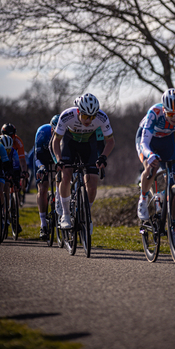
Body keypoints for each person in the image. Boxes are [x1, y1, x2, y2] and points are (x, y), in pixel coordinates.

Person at [135, 88, 175, 246]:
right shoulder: (154, 112)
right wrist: (150, 155)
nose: (174, 117)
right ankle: (143, 200)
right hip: (147, 140)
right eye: (171, 114)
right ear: (164, 110)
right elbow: (144, 143)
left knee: (174, 184)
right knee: (150, 169)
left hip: (166, 142)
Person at [52, 93, 115, 231]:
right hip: (70, 143)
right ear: (79, 111)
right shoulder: (67, 116)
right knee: (66, 174)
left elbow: (110, 141)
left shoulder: (102, 117)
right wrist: (58, 160)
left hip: (88, 144)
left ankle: (86, 214)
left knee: (92, 183)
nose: (89, 120)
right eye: (86, 116)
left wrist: (103, 156)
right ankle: (66, 215)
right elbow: (56, 141)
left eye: (92, 117)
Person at [34, 114, 60, 240]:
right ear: (52, 129)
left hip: (57, 157)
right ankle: (43, 224)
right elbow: (37, 157)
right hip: (43, 158)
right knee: (43, 188)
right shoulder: (42, 132)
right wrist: (41, 167)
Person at [0, 134, 22, 233]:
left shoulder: (13, 152)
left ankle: (6, 208)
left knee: (7, 185)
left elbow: (16, 168)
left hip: (9, 169)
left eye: (8, 150)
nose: (7, 152)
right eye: (5, 150)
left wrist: (16, 180)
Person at [1, 123, 29, 199]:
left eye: (13, 136)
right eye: (9, 136)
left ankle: (15, 200)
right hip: (2, 161)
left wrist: (24, 171)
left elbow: (22, 159)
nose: (11, 138)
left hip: (14, 160)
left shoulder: (18, 141)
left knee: (15, 182)